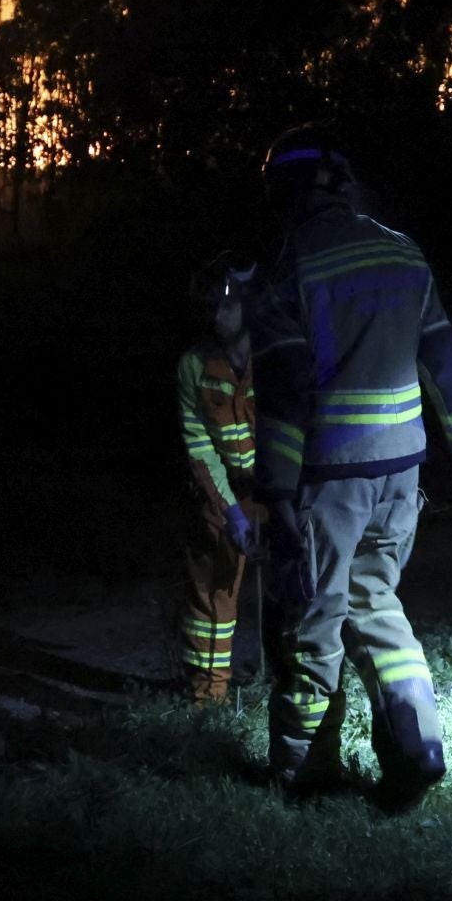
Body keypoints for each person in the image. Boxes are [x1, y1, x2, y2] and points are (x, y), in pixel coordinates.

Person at [248, 125, 452, 804]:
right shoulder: (402, 251)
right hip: (401, 474)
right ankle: (419, 745)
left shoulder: (288, 270)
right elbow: (445, 359)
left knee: (312, 622)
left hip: (328, 481)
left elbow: (285, 395)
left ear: (284, 193)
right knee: (376, 603)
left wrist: (278, 493)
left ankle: (304, 776)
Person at [175, 255, 265, 705]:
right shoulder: (193, 365)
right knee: (213, 592)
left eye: (226, 305)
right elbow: (199, 447)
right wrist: (232, 512)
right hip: (223, 490)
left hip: (275, 490)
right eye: (211, 306)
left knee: (298, 585)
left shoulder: (275, 354)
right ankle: (208, 697)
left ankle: (295, 680)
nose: (217, 315)